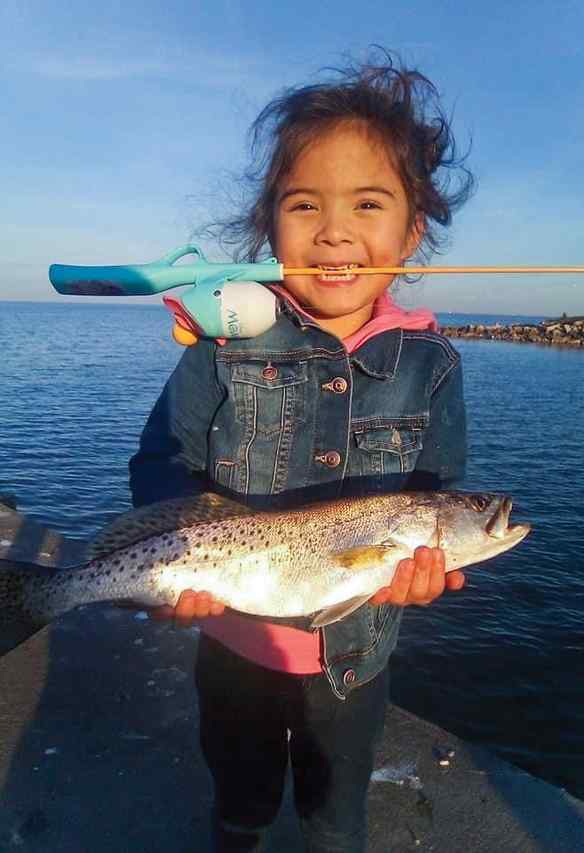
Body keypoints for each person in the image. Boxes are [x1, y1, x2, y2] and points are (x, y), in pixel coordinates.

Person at [130, 51, 473, 853]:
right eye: (304, 204)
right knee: (239, 789)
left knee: (334, 811)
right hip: (231, 642)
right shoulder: (221, 347)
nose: (335, 230)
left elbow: (440, 493)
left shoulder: (434, 367)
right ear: (269, 227)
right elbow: (158, 460)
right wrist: (177, 550)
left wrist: (423, 575)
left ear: (411, 230)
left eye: (368, 202)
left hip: (354, 661)